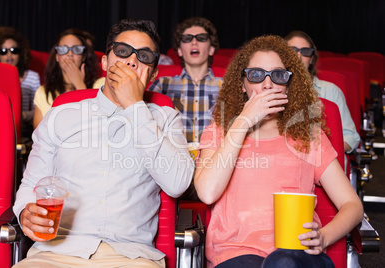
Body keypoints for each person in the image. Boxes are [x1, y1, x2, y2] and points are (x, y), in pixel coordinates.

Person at [12, 19, 193, 268]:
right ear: (105, 62)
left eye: (144, 56)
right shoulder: (62, 113)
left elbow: (178, 184)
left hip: (131, 257)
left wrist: (134, 107)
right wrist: (25, 213)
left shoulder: (165, 117)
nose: (131, 60)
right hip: (55, 253)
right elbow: (32, 183)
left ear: (152, 74)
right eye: (122, 51)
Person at [194, 35, 363, 267]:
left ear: (288, 85)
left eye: (278, 75)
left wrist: (324, 236)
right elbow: (207, 193)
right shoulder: (220, 131)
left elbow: (352, 205)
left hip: (296, 254)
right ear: (242, 84)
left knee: (282, 262)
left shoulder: (308, 136)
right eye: (255, 75)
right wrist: (243, 121)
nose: (267, 84)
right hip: (234, 254)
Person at [148, 17, 223, 144]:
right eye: (187, 39)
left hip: (215, 157)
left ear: (211, 49)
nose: (194, 42)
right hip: (174, 156)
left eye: (201, 38)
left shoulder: (226, 86)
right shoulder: (163, 85)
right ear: (179, 50)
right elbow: (145, 122)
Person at [284, 31, 360, 153]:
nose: (298, 56)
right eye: (292, 50)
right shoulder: (271, 90)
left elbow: (350, 138)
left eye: (305, 52)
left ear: (311, 59)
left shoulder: (331, 91)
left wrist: (321, 152)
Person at [33, 28, 101, 129]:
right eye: (63, 50)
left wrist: (79, 85)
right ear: (57, 57)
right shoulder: (43, 92)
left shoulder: (100, 85)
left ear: (83, 57)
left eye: (76, 49)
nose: (69, 54)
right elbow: (39, 136)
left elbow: (97, 125)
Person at [0, 26, 40, 137]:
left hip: (24, 131)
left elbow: (38, 111)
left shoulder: (33, 77)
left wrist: (21, 116)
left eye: (14, 50)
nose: (9, 55)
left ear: (21, 53)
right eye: (3, 51)